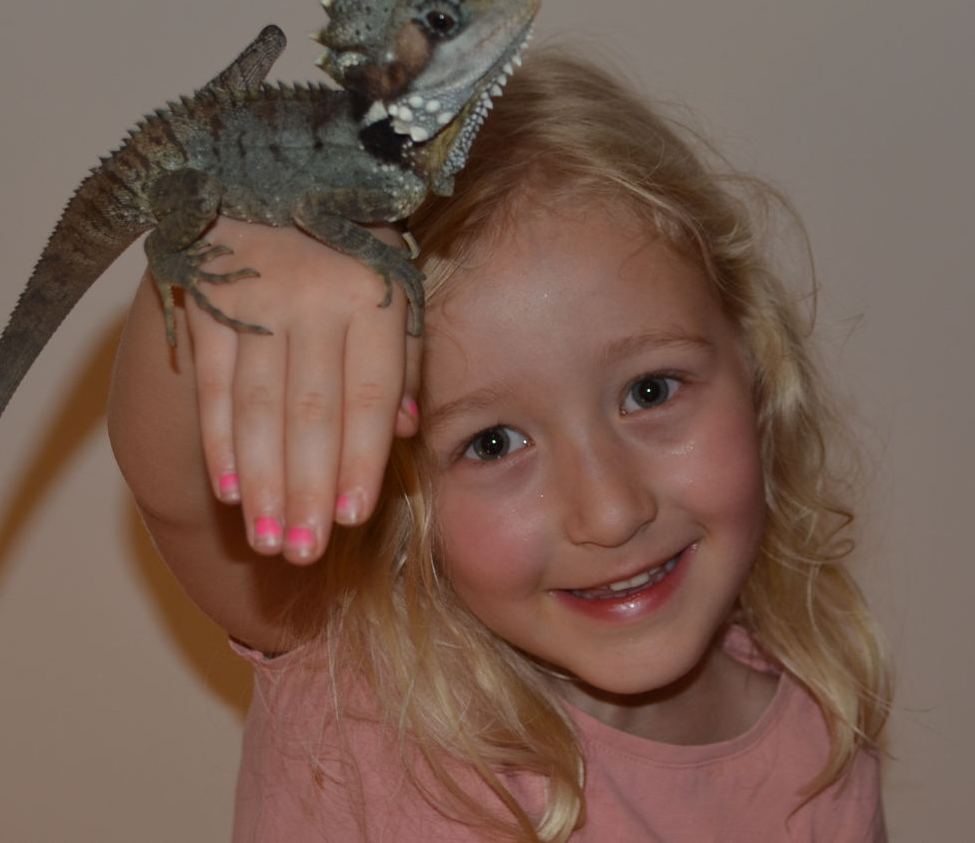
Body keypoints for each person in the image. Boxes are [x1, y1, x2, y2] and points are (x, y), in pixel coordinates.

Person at [108, 47, 892, 841]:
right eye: (493, 442)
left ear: (751, 358)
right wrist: (230, 245)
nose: (611, 510)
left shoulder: (820, 752)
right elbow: (173, 478)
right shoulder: (364, 697)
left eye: (649, 391)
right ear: (390, 482)